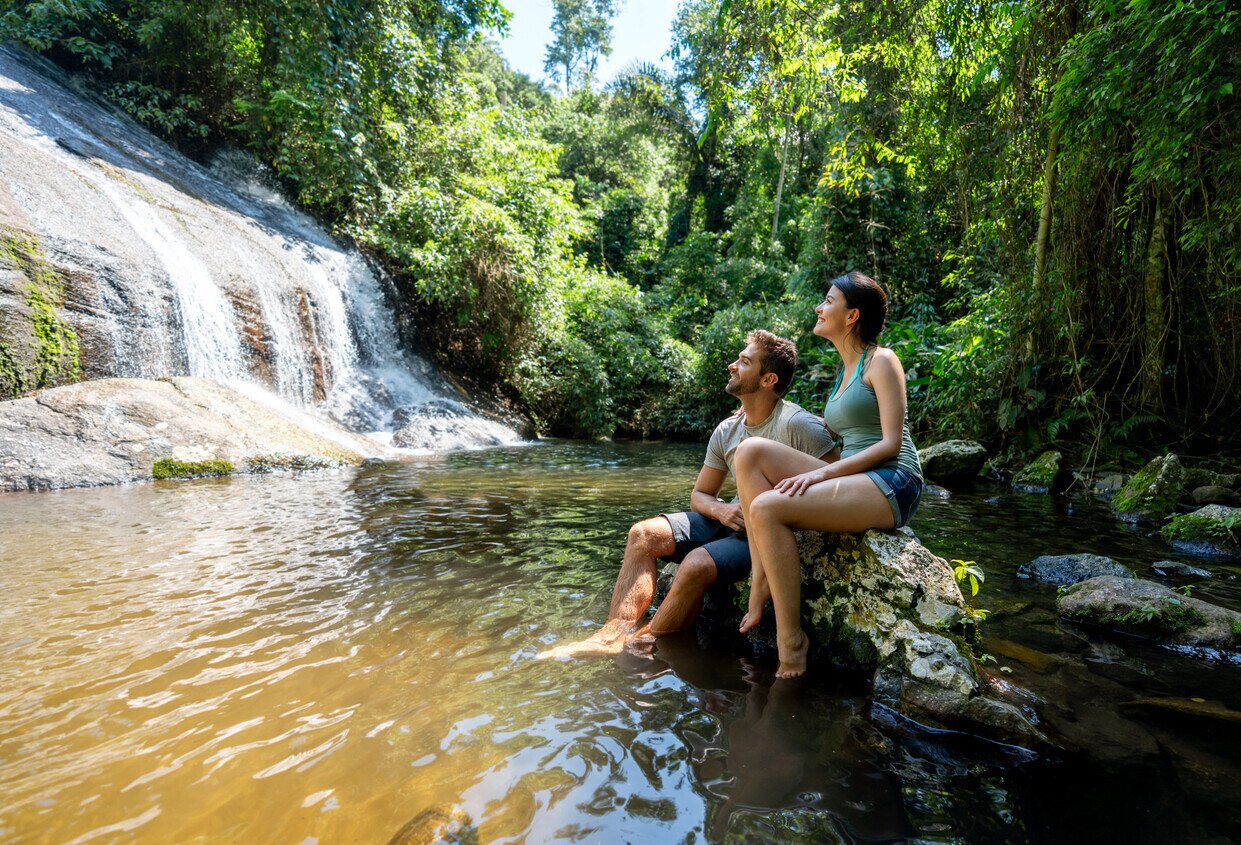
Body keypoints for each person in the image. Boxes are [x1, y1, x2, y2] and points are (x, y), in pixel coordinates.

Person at [539, 330, 836, 658]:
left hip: (767, 531)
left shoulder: (798, 424)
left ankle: (642, 641)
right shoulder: (727, 429)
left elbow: (838, 481)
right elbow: (701, 495)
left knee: (694, 564)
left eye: (744, 361)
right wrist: (722, 511)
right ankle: (612, 633)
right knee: (642, 534)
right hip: (731, 518)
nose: (732, 365)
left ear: (768, 379)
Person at [733, 271, 923, 679]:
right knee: (749, 452)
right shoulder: (844, 370)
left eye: (829, 301)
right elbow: (838, 428)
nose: (819, 308)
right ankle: (760, 577)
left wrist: (822, 476)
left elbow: (890, 443)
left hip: (893, 480)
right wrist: (770, 410)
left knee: (766, 508)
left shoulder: (882, 360)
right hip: (854, 476)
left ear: (852, 315)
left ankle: (791, 643)